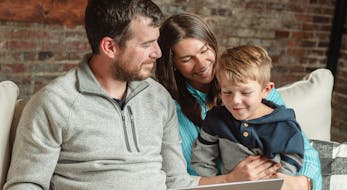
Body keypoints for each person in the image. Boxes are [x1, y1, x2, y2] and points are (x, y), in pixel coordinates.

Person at [5, 1, 201, 189]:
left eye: (156, 42)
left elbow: (178, 182)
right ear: (109, 47)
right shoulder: (54, 103)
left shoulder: (158, 97)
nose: (157, 53)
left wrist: (229, 181)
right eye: (146, 44)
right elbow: (26, 184)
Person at [155, 13, 322, 190]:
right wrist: (232, 179)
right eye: (187, 59)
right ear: (172, 63)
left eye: (204, 51)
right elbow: (183, 177)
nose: (202, 63)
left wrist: (303, 183)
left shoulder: (252, 81)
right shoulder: (171, 109)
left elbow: (302, 148)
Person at [191, 45, 304, 177]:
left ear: (266, 90)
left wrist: (277, 180)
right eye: (227, 92)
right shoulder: (216, 119)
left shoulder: (283, 125)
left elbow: (294, 158)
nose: (236, 100)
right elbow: (202, 159)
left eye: (246, 92)